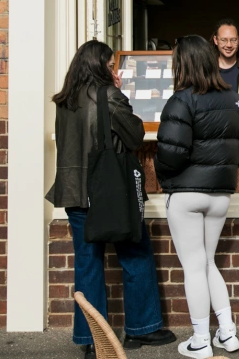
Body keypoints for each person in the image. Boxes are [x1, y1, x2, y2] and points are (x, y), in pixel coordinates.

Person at [47, 40, 175, 359]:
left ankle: (93, 340)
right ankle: (142, 328)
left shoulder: (64, 101)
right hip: (110, 191)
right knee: (135, 253)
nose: (113, 69)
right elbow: (134, 136)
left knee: (87, 264)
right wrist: (121, 93)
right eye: (109, 64)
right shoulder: (109, 95)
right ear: (100, 66)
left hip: (75, 193)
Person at [155, 35, 239, 359]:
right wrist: (220, 169)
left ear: (182, 64)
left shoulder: (181, 100)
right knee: (208, 263)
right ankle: (227, 332)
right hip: (221, 194)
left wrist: (165, 176)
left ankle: (200, 340)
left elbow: (171, 154)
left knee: (194, 267)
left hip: (186, 194)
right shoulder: (236, 100)